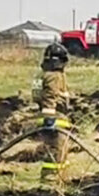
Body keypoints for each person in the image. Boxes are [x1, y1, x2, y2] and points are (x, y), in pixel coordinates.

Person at [32, 43, 72, 181]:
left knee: (59, 148)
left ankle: (62, 176)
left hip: (46, 115)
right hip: (55, 117)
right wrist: (50, 118)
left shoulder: (42, 74)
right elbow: (50, 96)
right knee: (57, 148)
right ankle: (51, 177)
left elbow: (39, 96)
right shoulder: (53, 76)